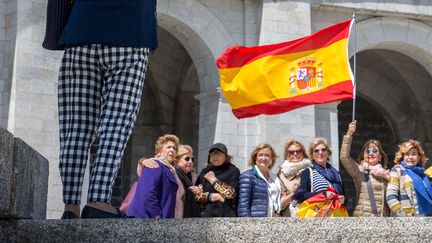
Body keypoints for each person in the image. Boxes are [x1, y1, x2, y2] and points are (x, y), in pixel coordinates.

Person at [56, 0, 158, 219]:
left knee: (76, 126)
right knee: (116, 123)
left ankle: (70, 207)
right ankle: (98, 200)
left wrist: (58, 31)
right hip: (131, 31)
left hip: (80, 31)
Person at [340, 121, 390, 216]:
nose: (371, 153)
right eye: (368, 151)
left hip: (382, 222)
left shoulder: (387, 175)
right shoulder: (359, 171)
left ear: (380, 157)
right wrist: (349, 134)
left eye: (375, 151)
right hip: (363, 219)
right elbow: (344, 157)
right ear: (363, 156)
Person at [127, 134, 181, 219]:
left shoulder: (169, 169)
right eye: (168, 147)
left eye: (174, 148)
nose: (172, 150)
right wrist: (156, 215)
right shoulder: (155, 164)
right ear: (159, 150)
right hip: (147, 219)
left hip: (162, 220)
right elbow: (149, 192)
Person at [190, 143, 240, 217]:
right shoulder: (204, 172)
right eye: (212, 154)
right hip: (206, 216)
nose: (215, 156)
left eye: (219, 154)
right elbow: (197, 196)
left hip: (226, 215)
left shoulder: (233, 171)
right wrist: (214, 196)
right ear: (209, 157)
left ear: (226, 157)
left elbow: (231, 194)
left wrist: (214, 181)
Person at [294, 138, 346, 209]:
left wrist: (343, 200)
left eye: (323, 150)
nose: (320, 152)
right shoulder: (308, 172)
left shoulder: (336, 174)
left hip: (336, 214)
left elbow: (344, 196)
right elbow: (301, 195)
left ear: (328, 153)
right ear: (312, 155)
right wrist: (324, 194)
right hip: (317, 214)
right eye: (316, 151)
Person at [238, 144, 288, 217]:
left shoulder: (275, 178)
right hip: (256, 222)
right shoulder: (248, 176)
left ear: (271, 160)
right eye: (260, 155)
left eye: (267, 155)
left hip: (273, 221)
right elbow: (243, 206)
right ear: (255, 159)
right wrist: (248, 224)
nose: (264, 158)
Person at [386, 139, 432, 216]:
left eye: (414, 154)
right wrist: (404, 218)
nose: (410, 157)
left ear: (419, 157)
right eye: (407, 154)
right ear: (403, 157)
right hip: (405, 222)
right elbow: (390, 197)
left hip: (425, 220)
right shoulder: (397, 170)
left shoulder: (423, 175)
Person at [278, 140, 312, 217]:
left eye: (298, 151)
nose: (295, 154)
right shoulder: (281, 174)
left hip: (311, 214)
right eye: (291, 152)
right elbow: (280, 205)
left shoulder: (312, 170)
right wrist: (294, 193)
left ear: (303, 153)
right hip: (290, 218)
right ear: (287, 156)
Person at [175, 145, 201, 217]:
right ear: (177, 160)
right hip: (175, 217)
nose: (190, 161)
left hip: (194, 217)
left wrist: (199, 193)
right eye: (187, 158)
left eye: (192, 159)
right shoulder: (172, 175)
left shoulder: (196, 177)